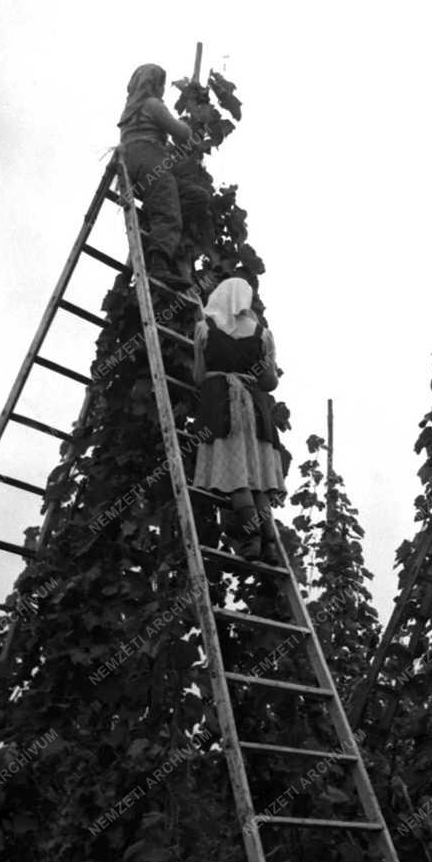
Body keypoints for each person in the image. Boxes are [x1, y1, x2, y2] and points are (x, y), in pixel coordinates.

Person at [191, 277, 285, 563]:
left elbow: (198, 376)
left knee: (236, 478)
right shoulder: (262, 333)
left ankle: (251, 538)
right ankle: (269, 544)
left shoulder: (204, 328)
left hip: (221, 406)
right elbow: (269, 382)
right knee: (258, 481)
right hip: (256, 412)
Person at [117, 63, 212, 285]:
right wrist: (190, 127)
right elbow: (182, 133)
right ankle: (159, 266)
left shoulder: (130, 110)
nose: (162, 89)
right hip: (149, 160)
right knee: (168, 211)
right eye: (161, 83)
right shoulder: (152, 105)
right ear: (154, 84)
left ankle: (158, 227)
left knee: (196, 197)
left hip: (135, 162)